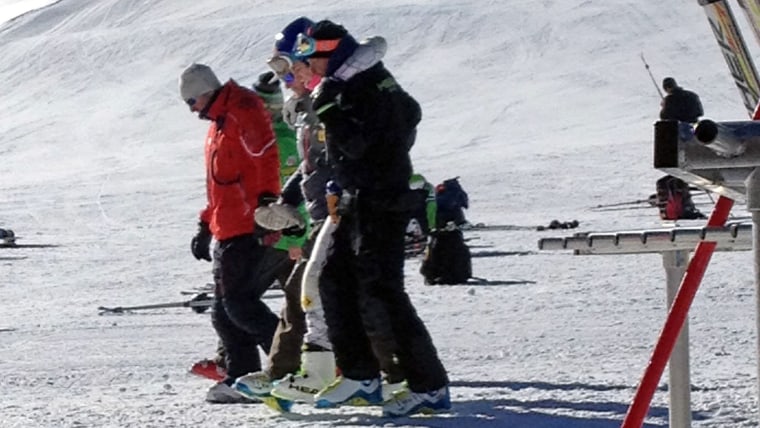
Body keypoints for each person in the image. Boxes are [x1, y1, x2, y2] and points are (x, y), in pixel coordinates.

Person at [293, 20, 450, 417]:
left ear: (334, 53)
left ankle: (428, 386)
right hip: (358, 198)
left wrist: (330, 111)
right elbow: (407, 115)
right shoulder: (360, 81)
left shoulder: (366, 85)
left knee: (382, 292)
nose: (310, 70)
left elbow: (362, 141)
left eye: (313, 60)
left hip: (382, 200)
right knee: (335, 280)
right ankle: (361, 377)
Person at [179, 63, 282, 403]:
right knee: (225, 311)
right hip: (228, 226)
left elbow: (266, 158)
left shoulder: (242, 110)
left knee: (238, 306)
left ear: (204, 93)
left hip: (248, 225)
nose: (193, 111)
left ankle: (288, 369)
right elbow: (218, 185)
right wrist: (205, 224)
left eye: (192, 102)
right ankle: (244, 379)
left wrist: (266, 207)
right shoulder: (219, 123)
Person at [657, 77, 705, 220]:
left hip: (677, 134)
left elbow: (664, 117)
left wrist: (664, 105)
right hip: (695, 133)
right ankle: (684, 198)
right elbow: (699, 112)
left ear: (667, 88)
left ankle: (680, 201)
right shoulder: (692, 95)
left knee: (678, 166)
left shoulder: (670, 100)